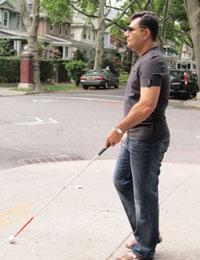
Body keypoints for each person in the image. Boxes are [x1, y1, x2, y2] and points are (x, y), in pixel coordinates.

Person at [105, 11, 170, 260]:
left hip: (148, 138)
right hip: (136, 136)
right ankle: (148, 233)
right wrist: (127, 132)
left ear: (146, 33)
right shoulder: (144, 59)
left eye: (131, 29)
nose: (126, 34)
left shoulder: (152, 61)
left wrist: (119, 128)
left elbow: (146, 105)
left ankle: (144, 250)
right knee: (122, 181)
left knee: (144, 194)